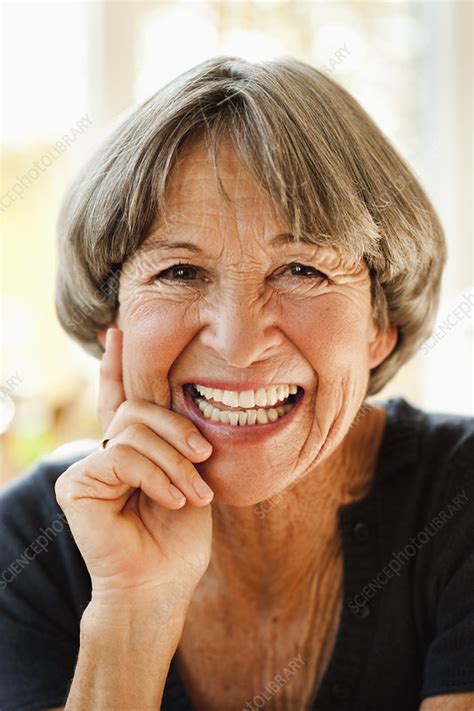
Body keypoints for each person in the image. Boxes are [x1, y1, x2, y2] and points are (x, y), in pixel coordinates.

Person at [0, 56, 473, 711]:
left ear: (380, 324)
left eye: (303, 268)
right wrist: (134, 610)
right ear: (115, 322)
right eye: (180, 272)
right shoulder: (29, 545)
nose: (239, 342)